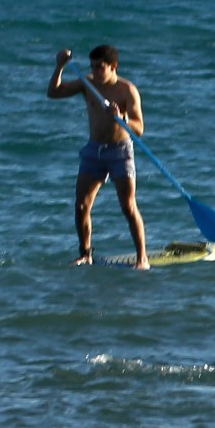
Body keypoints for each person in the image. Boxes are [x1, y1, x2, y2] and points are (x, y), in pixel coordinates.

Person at [46, 44, 147, 269]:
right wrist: (60, 66)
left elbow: (139, 127)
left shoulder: (127, 90)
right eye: (92, 66)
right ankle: (85, 254)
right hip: (94, 151)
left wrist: (121, 117)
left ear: (113, 67)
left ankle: (142, 258)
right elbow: (53, 93)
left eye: (100, 67)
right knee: (81, 205)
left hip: (120, 152)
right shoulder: (88, 84)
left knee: (128, 207)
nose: (95, 71)